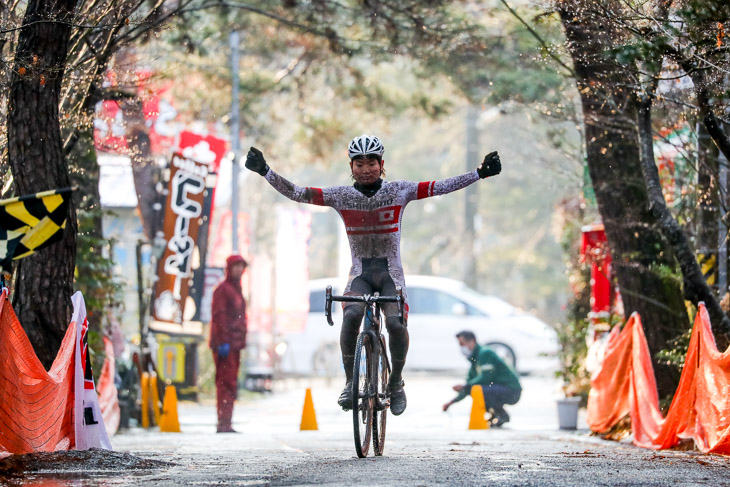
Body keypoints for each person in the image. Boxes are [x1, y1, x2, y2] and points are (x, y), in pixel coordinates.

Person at [245, 135, 501, 416]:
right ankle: (349, 382)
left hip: (391, 274)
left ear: (382, 164)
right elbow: (298, 192)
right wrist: (265, 171)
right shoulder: (341, 196)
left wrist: (479, 173)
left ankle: (395, 382)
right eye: (359, 164)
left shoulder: (400, 191)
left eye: (371, 163)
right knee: (352, 316)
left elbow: (440, 186)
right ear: (351, 166)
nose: (366, 169)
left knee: (394, 325)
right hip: (360, 274)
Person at [442, 330, 521, 427]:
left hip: (512, 390)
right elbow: (469, 384)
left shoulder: (485, 353)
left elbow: (486, 378)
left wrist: (465, 386)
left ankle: (500, 415)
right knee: (475, 389)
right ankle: (500, 414)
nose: (461, 348)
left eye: (462, 344)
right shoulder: (475, 358)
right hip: (500, 389)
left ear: (472, 341)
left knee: (479, 391)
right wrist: (452, 402)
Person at [209, 254, 248, 433]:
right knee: (225, 383)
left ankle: (226, 421)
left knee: (230, 383)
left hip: (234, 345)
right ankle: (223, 422)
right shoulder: (223, 290)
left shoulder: (236, 289)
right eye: (236, 266)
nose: (239, 270)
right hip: (226, 346)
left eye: (242, 266)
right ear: (229, 268)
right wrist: (223, 342)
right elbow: (219, 317)